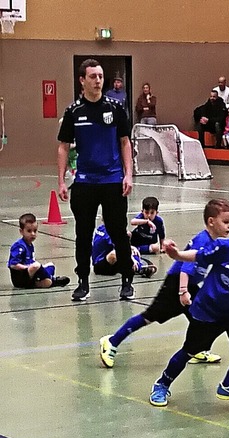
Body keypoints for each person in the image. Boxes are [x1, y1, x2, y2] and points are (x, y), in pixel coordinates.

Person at [148, 200, 229, 407]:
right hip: (208, 312)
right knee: (189, 351)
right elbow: (199, 256)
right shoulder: (225, 248)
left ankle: (228, 384)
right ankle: (162, 384)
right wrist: (177, 255)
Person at [99, 199, 229, 369]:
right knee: (149, 317)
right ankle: (111, 342)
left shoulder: (216, 242)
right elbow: (186, 268)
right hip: (177, 283)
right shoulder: (203, 240)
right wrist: (183, 291)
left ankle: (197, 349)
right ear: (211, 221)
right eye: (226, 222)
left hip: (191, 285)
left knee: (201, 317)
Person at [57, 58, 135, 302]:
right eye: (93, 76)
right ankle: (83, 282)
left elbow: (125, 142)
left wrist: (128, 174)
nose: (98, 80)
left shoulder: (115, 108)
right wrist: (60, 180)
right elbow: (63, 147)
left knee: (118, 232)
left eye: (100, 76)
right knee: (83, 233)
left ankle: (126, 280)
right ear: (82, 80)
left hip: (112, 181)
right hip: (85, 182)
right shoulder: (73, 112)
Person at [8, 213, 70, 289]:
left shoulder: (30, 245)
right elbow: (13, 265)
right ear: (21, 231)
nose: (33, 234)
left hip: (30, 275)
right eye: (29, 231)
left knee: (50, 265)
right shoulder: (19, 246)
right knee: (36, 266)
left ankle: (41, 282)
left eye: (35, 231)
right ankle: (53, 280)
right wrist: (27, 267)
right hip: (20, 279)